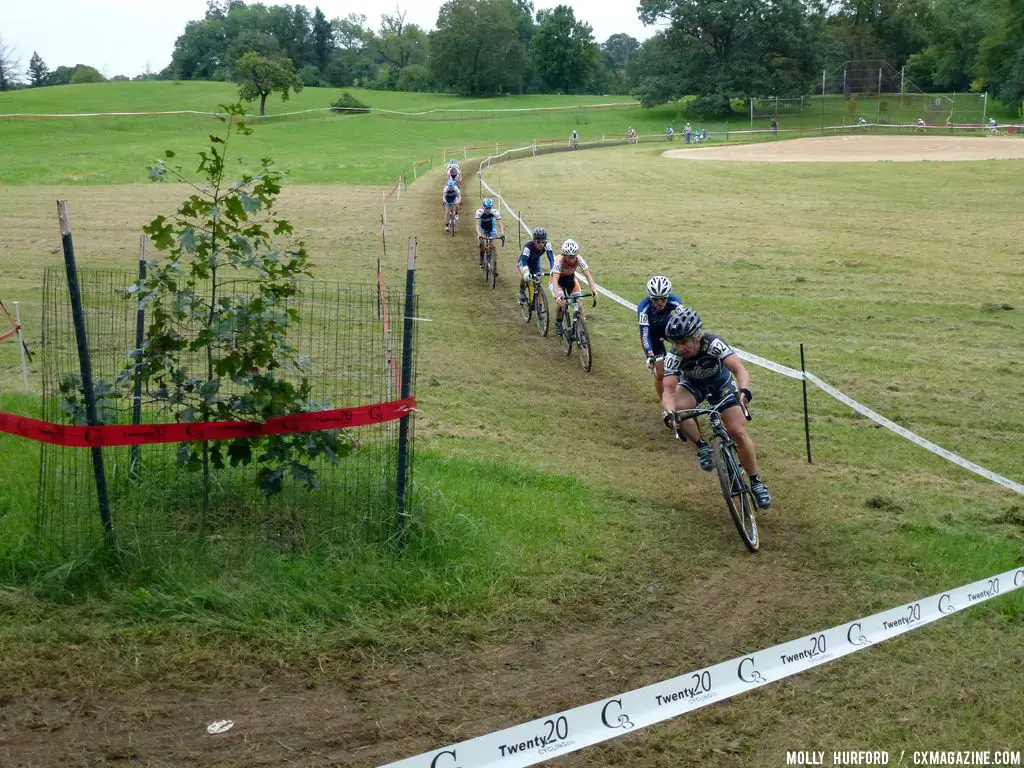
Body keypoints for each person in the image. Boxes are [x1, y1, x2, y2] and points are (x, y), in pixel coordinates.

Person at [660, 308, 772, 509]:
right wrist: (669, 413)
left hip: (721, 384)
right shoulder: (674, 356)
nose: (680, 347)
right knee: (678, 410)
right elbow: (667, 391)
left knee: (737, 431)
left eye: (684, 341)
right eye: (675, 343)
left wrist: (744, 390)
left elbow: (739, 369)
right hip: (694, 386)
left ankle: (755, 481)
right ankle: (702, 446)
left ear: (697, 336)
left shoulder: (712, 343)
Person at [637, 275, 685, 403]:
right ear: (650, 297)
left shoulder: (675, 300)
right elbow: (645, 334)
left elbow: (684, 321)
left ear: (668, 296)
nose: (660, 303)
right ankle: (665, 403)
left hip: (666, 327)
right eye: (655, 299)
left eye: (663, 299)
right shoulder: (643, 308)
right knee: (660, 372)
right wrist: (650, 353)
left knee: (685, 350)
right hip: (651, 333)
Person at [549, 239, 598, 335]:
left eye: (574, 256)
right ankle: (558, 322)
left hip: (570, 280)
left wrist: (594, 290)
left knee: (579, 303)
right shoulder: (559, 261)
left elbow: (588, 275)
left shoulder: (579, 259)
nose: (572, 259)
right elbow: (555, 279)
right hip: (557, 281)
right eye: (569, 257)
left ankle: (581, 326)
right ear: (564, 255)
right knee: (561, 303)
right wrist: (557, 296)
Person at [518, 228, 555, 304]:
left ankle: (540, 306)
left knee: (538, 282)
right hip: (524, 262)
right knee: (525, 277)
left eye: (543, 242)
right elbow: (524, 261)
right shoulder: (528, 247)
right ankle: (522, 290)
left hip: (535, 262)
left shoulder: (547, 245)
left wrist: (553, 270)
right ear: (534, 241)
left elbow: (551, 259)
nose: (541, 244)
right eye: (538, 242)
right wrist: (526, 271)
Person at [475, 197, 505, 265]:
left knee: (494, 246)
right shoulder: (479, 212)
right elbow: (477, 225)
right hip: (482, 227)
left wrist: (502, 234)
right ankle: (482, 256)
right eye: (486, 208)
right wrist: (479, 234)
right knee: (482, 243)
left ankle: (494, 267)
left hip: (491, 226)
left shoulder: (495, 212)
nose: (488, 210)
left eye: (489, 208)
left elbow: (500, 224)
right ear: (483, 207)